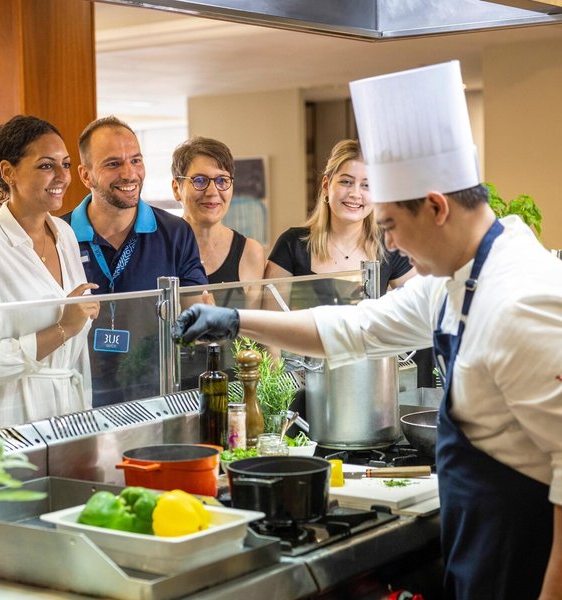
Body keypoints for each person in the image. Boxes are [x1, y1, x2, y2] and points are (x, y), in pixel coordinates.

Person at [174, 61, 562, 600]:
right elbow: (358, 326)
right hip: (481, 541)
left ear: (436, 207)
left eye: (392, 226)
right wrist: (238, 319)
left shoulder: (520, 298)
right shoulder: (455, 279)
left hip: (528, 559)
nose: (392, 245)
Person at [0, 115, 99, 431]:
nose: (63, 176)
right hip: (5, 418)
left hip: (68, 414)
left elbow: (75, 349)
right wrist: (63, 328)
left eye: (66, 164)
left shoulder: (65, 235)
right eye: (46, 166)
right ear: (8, 172)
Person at [63, 116, 207, 406]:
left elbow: (197, 312)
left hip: (156, 396)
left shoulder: (175, 232)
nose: (129, 173)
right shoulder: (58, 235)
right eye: (113, 163)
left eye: (136, 160)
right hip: (76, 397)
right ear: (86, 175)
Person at [171, 136, 265, 388]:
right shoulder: (159, 249)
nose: (212, 192)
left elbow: (252, 340)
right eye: (199, 180)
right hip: (170, 391)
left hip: (232, 389)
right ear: (176, 188)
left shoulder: (250, 252)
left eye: (222, 180)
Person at [265, 139, 414, 294]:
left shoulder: (390, 246)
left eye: (366, 185)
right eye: (346, 182)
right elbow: (271, 308)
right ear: (326, 185)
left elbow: (420, 303)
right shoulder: (292, 244)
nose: (355, 194)